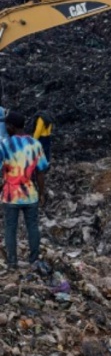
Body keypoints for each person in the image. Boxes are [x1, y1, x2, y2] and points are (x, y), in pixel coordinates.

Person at [0, 111, 48, 271]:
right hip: (30, 194)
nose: (5, 127)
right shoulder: (35, 144)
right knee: (33, 227)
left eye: (7, 125)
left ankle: (12, 262)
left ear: (11, 126)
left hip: (10, 195)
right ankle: (33, 260)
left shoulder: (4, 145)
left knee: (10, 228)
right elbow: (40, 172)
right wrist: (42, 193)